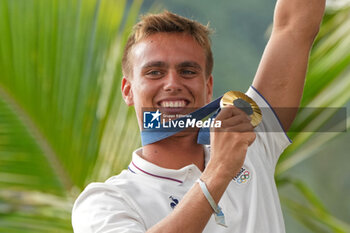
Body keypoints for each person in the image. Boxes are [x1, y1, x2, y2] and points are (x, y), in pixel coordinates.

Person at [72, 0, 325, 232]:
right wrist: (219, 171)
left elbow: (294, 25)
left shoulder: (249, 140)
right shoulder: (104, 201)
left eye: (188, 71)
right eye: (154, 72)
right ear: (128, 91)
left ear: (207, 87)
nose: (172, 84)